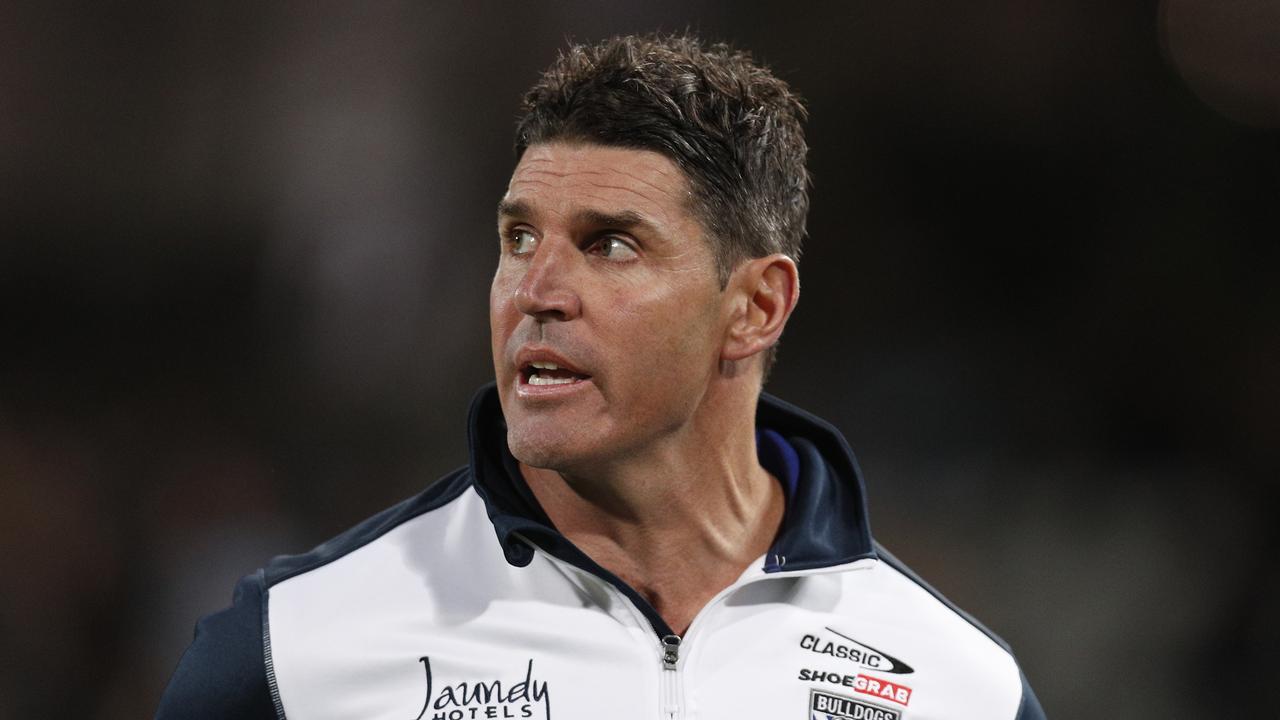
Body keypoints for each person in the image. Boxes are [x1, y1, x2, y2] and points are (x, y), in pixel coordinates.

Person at [156, 33, 1045, 720]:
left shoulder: (956, 685)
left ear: (756, 307)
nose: (535, 293)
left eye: (609, 245)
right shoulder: (289, 649)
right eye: (518, 239)